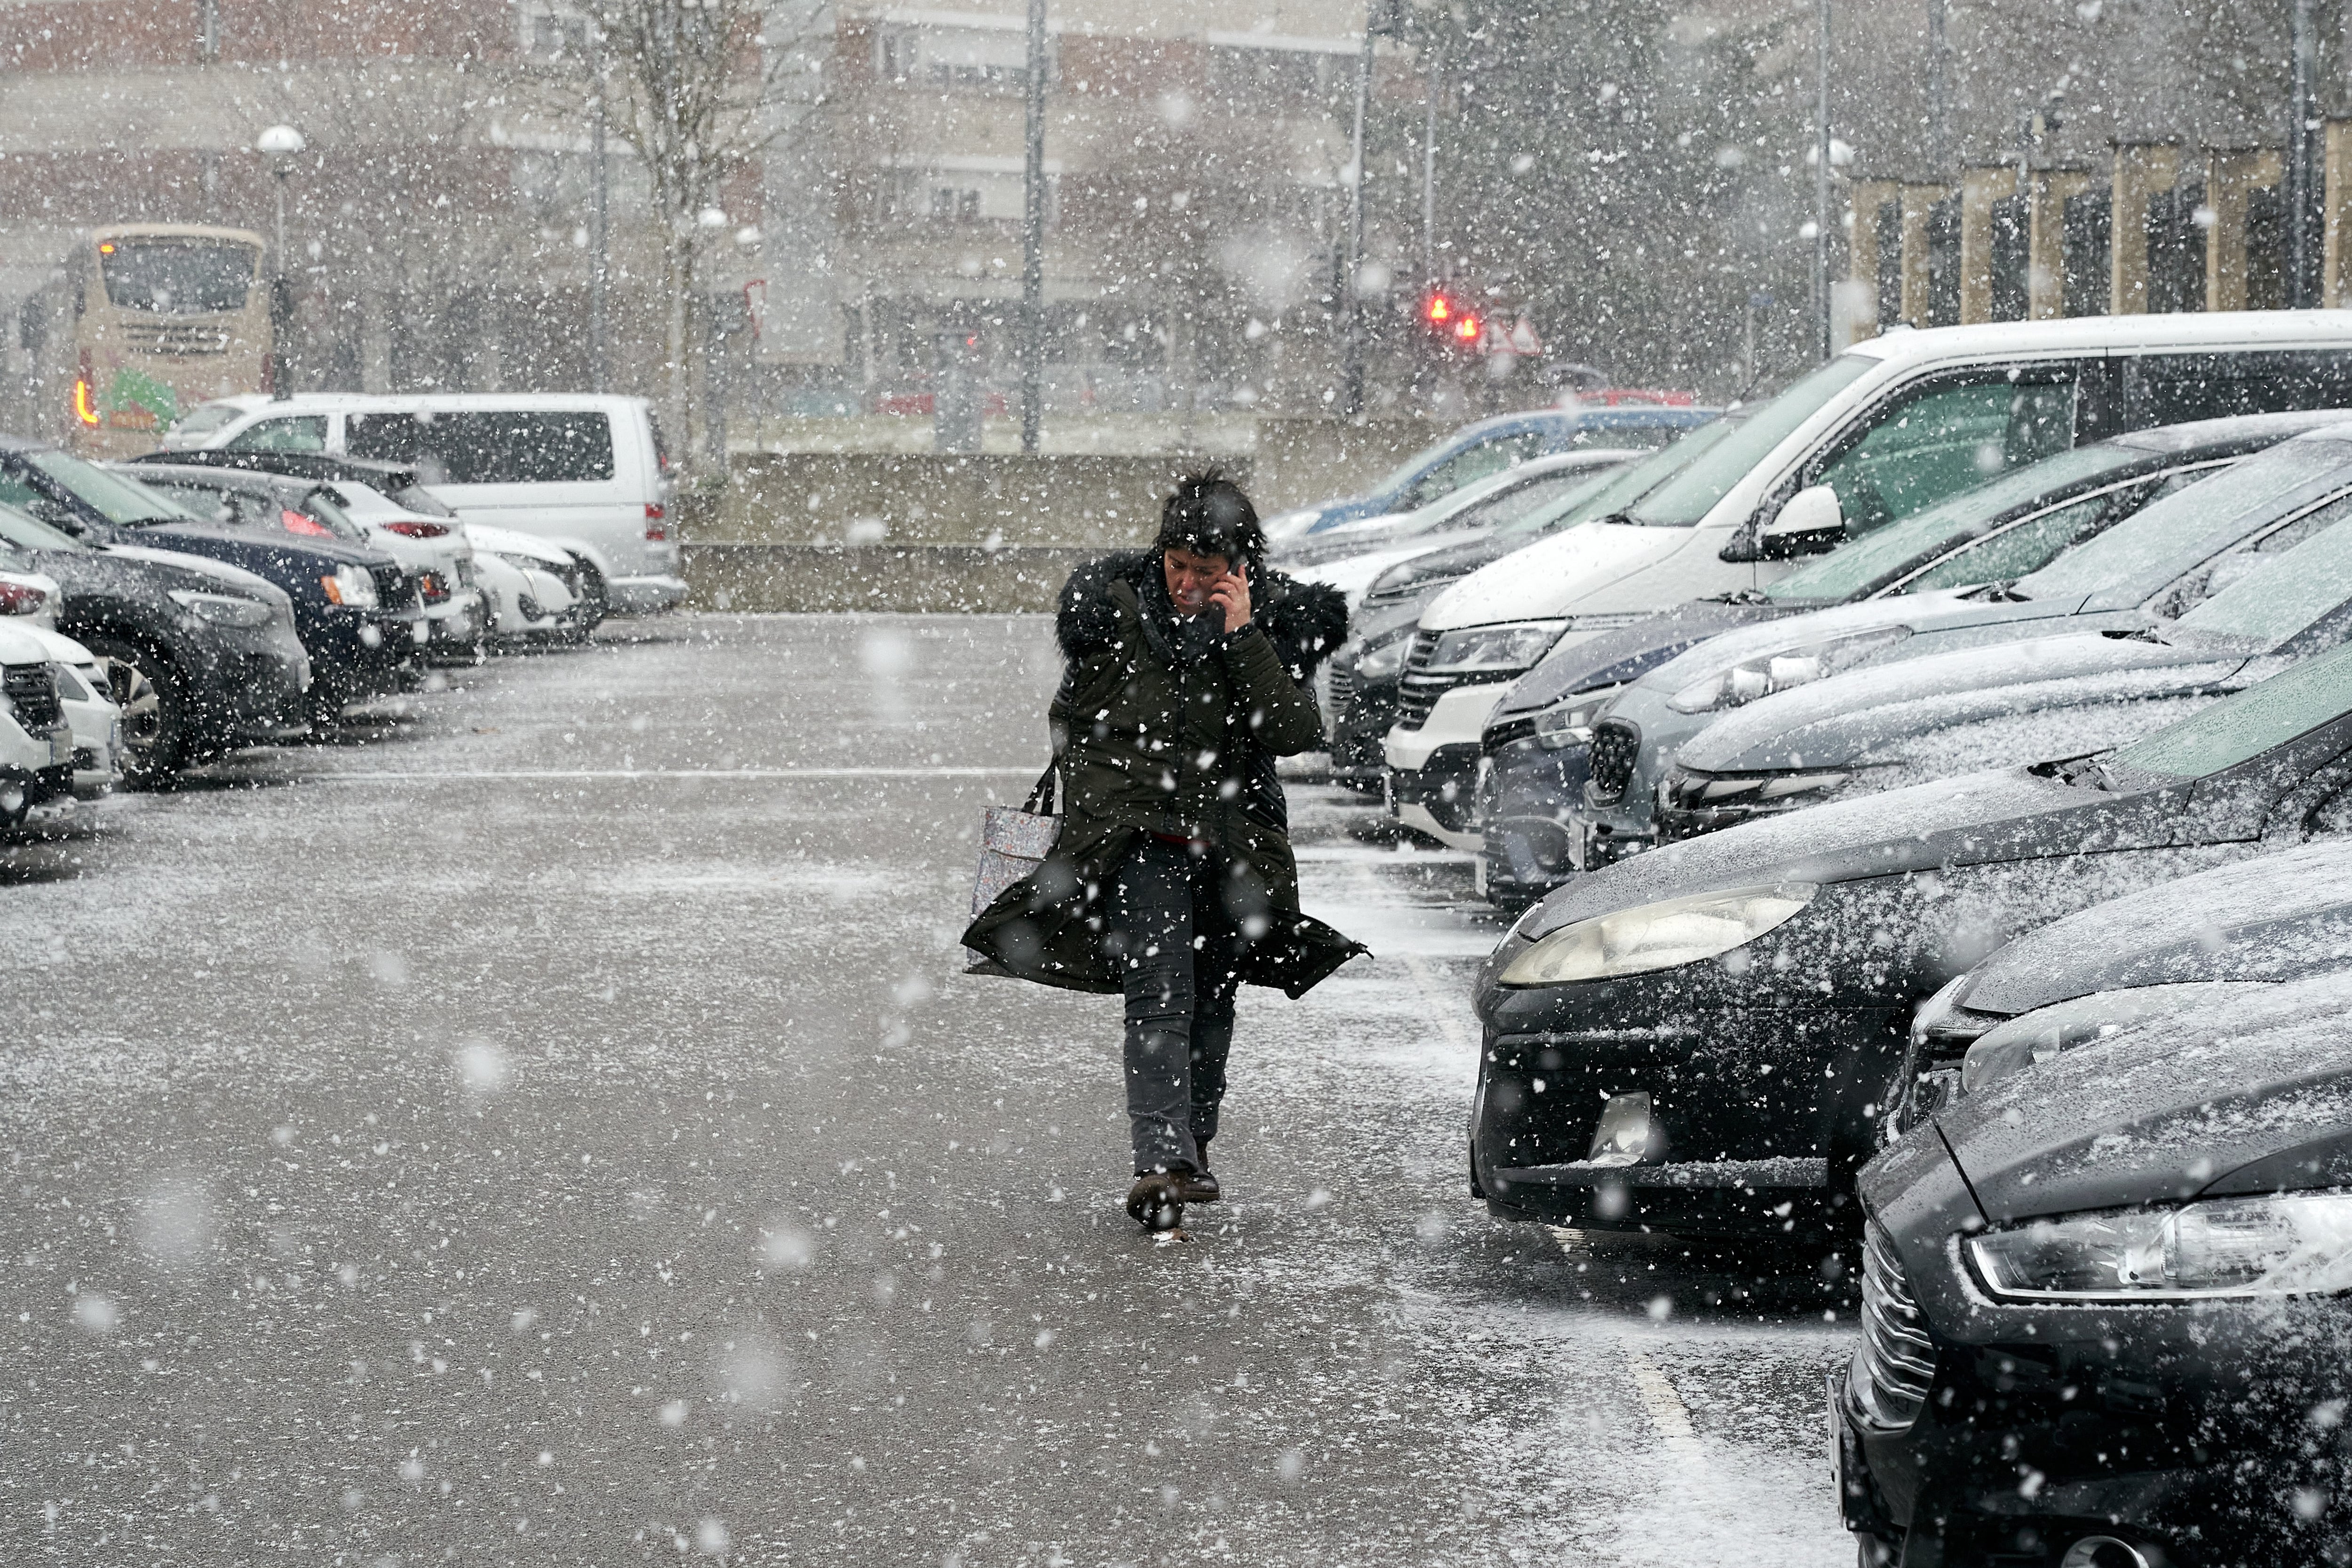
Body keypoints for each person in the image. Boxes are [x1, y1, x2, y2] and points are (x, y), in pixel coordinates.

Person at [963, 472, 1364, 1230]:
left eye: (1205, 573)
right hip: (1139, 836)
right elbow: (1073, 718)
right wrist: (1112, 797)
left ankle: (1192, 1149)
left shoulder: (1273, 618)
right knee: (1161, 991)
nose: (1186, 583)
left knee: (1213, 995)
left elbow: (1293, 731)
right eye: (1178, 565)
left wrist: (1244, 636)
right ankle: (1159, 1157)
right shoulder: (1112, 606)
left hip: (1231, 840)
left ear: (1240, 567)